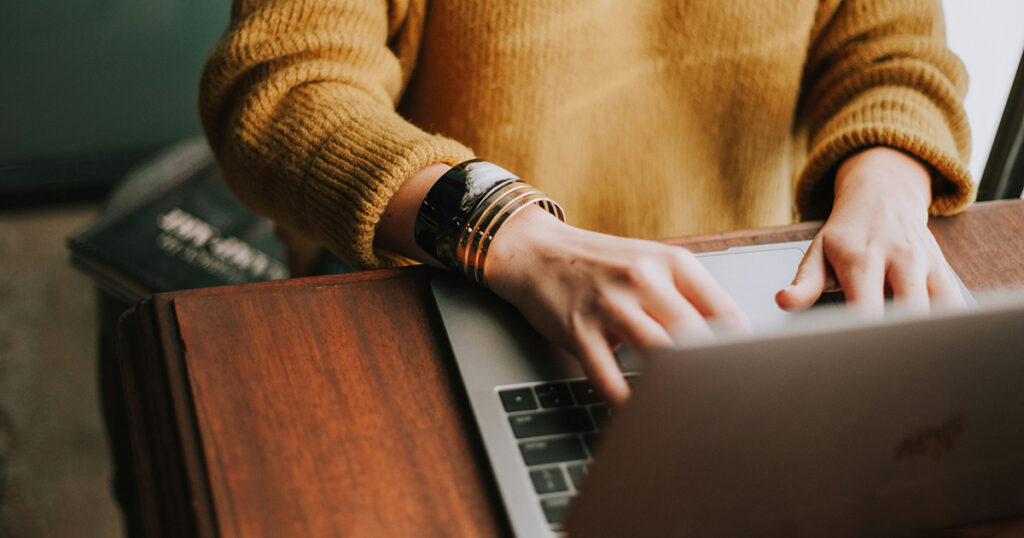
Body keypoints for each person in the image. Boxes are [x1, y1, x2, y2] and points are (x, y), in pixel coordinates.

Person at [199, 0, 972, 404]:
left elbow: (894, 54)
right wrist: (510, 232)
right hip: (451, 287)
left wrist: (889, 180)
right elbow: (282, 89)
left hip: (741, 311)